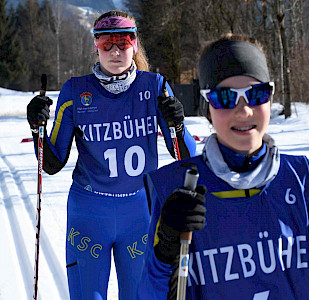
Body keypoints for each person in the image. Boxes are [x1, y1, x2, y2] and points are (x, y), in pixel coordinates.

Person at [137, 34, 309, 299]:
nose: (244, 111)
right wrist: (166, 247)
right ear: (208, 108)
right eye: (226, 97)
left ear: (270, 98)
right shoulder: (176, 187)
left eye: (257, 94)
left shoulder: (304, 179)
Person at [26, 10, 196, 299]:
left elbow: (185, 157)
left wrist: (177, 124)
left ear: (134, 44)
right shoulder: (76, 92)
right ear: (96, 46)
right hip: (89, 214)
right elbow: (52, 163)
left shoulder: (154, 86)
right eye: (106, 43)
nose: (115, 51)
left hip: (139, 215)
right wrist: (36, 128)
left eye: (124, 42)